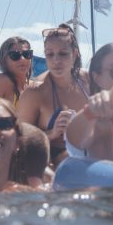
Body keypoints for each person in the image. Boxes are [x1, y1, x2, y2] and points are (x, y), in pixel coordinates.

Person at [17, 24, 89, 166]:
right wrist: (53, 133)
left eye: (63, 53)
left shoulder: (89, 82)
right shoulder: (35, 91)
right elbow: (19, 139)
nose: (56, 60)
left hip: (89, 154)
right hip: (51, 163)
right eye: (50, 54)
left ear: (74, 54)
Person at [0, 37, 36, 106]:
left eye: (26, 54)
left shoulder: (34, 87)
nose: (22, 59)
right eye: (15, 55)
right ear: (4, 60)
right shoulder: (0, 83)